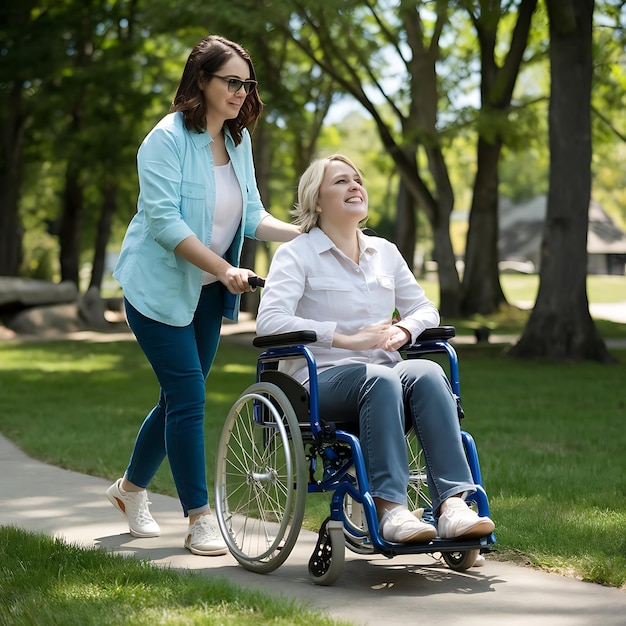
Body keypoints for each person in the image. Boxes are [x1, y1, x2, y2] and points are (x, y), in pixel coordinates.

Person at [106, 35, 300, 556]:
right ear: (202, 81)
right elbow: (165, 224)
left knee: (177, 397)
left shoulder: (237, 142)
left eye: (246, 83)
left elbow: (253, 215)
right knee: (190, 397)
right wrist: (225, 267)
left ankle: (128, 492)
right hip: (158, 291)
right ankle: (199, 516)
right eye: (231, 81)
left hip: (210, 294)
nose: (241, 92)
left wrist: (308, 233)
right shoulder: (164, 140)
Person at [255, 154, 495, 544]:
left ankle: (453, 505)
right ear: (316, 201)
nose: (354, 186)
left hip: (383, 371)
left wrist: (405, 329)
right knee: (380, 378)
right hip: (319, 381)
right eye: (340, 182)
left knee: (428, 372)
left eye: (357, 179)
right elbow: (270, 321)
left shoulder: (384, 251)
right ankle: (391, 511)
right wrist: (344, 338)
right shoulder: (295, 254)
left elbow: (424, 309)